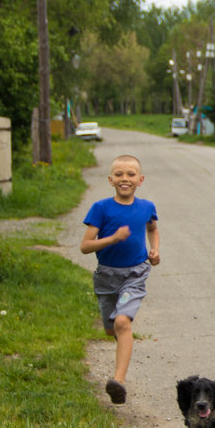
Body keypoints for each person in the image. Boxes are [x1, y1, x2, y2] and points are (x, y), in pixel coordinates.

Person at [80, 154, 160, 404]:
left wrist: (154, 250)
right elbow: (85, 246)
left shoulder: (147, 207)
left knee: (123, 323)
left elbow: (152, 228)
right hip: (106, 276)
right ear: (110, 179)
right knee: (110, 328)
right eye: (119, 175)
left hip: (135, 274)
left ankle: (119, 381)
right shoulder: (101, 209)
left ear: (140, 179)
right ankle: (120, 337)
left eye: (130, 174)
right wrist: (113, 239)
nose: (125, 179)